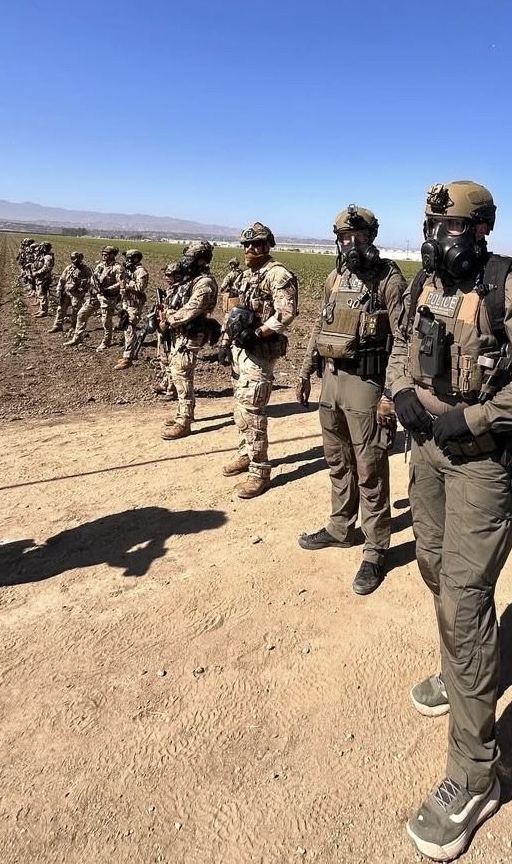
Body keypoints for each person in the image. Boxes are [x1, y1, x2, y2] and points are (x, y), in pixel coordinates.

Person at [385, 180, 512, 861]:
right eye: (432, 224)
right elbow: (402, 346)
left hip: (481, 463)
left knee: (464, 600)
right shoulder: (427, 282)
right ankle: (460, 673)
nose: (439, 237)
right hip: (427, 452)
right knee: (432, 565)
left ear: (482, 228)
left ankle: (475, 774)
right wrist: (402, 390)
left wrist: (478, 417)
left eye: (452, 225)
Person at [296, 205, 406, 596]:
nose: (352, 243)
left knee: (370, 468)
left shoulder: (389, 279)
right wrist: (305, 372)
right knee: (337, 460)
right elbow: (320, 324)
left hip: (367, 384)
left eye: (359, 237)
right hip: (332, 380)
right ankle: (341, 528)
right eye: (345, 237)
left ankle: (376, 550)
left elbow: (404, 339)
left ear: (372, 238)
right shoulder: (336, 276)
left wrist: (391, 393)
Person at [221, 222, 298, 499]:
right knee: (240, 408)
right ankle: (246, 453)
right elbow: (233, 313)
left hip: (260, 351)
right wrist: (225, 341)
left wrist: (257, 333)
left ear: (267, 245)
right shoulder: (245, 276)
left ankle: (259, 471)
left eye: (256, 244)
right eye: (246, 245)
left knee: (252, 410)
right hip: (240, 350)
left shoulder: (278, 274)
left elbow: (286, 313)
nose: (250, 249)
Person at [157, 241, 218, 440]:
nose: (185, 262)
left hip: (191, 333)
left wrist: (169, 320)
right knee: (176, 373)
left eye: (190, 258)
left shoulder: (204, 283)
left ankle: (184, 421)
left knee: (182, 374)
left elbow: (192, 309)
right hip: (178, 332)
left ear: (202, 260)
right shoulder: (189, 280)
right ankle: (181, 413)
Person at [66, 245, 123, 351]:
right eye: (103, 254)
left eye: (106, 254)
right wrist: (93, 287)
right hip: (96, 295)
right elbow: (93, 278)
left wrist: (108, 289)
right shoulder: (100, 266)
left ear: (112, 255)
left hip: (108, 297)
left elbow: (121, 283)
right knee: (82, 314)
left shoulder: (117, 268)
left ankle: (106, 342)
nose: (104, 256)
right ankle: (77, 338)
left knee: (106, 320)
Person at [154, 260, 187, 401]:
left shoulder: (182, 291)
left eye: (169, 275)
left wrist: (167, 319)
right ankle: (166, 383)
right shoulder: (170, 290)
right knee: (163, 358)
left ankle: (171, 390)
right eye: (166, 275)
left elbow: (181, 312)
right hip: (164, 327)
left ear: (178, 275)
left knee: (171, 359)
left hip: (174, 329)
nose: (166, 278)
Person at [115, 250, 150, 370]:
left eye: (129, 258)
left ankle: (128, 358)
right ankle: (128, 354)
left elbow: (140, 287)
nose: (127, 261)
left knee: (129, 329)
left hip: (134, 304)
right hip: (127, 302)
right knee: (126, 328)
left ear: (136, 259)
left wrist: (127, 282)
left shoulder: (141, 271)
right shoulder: (129, 270)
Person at [50, 251, 92, 335]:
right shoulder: (69, 268)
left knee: (76, 311)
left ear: (80, 259)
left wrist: (82, 285)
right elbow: (62, 279)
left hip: (77, 294)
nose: (74, 260)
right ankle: (58, 325)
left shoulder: (85, 269)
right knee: (60, 309)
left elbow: (90, 281)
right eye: (72, 258)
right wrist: (59, 289)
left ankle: (74, 327)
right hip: (66, 292)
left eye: (76, 259)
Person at [31, 242, 56, 317]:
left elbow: (46, 268)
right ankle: (41, 309)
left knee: (42, 294)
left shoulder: (48, 257)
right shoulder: (43, 256)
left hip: (44, 278)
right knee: (39, 293)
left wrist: (37, 273)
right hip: (40, 277)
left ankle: (44, 311)